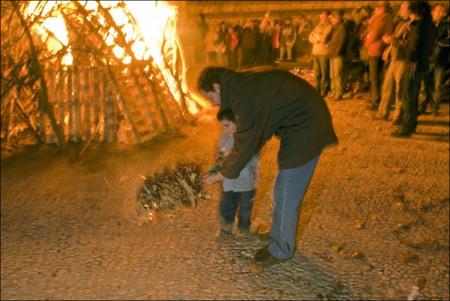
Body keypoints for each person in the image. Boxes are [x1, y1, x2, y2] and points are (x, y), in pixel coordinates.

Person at [197, 66, 337, 267]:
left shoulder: (243, 95)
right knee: (282, 191)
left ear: (217, 86)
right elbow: (254, 132)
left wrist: (222, 174)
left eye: (210, 97)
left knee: (285, 193)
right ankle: (278, 233)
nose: (212, 104)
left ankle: (282, 249)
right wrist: (227, 164)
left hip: (307, 129)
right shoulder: (240, 83)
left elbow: (245, 142)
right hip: (298, 125)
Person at [210, 109, 259, 235]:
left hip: (245, 181)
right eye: (222, 126)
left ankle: (244, 227)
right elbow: (220, 157)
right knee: (226, 204)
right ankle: (226, 227)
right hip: (228, 181)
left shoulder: (247, 139)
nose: (225, 129)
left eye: (227, 125)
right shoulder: (224, 137)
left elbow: (251, 160)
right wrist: (214, 170)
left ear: (238, 122)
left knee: (245, 206)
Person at [364, 1, 394, 110]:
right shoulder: (381, 18)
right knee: (375, 76)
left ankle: (376, 100)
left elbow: (374, 34)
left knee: (374, 76)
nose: (375, 10)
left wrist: (366, 43)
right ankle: (375, 98)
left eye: (377, 8)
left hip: (376, 49)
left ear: (382, 9)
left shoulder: (383, 18)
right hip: (375, 49)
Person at [308, 10, 333, 96]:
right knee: (317, 72)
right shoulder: (318, 26)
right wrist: (318, 36)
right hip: (315, 52)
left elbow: (324, 38)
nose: (321, 18)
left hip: (323, 52)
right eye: (320, 17)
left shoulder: (329, 26)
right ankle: (317, 87)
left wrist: (316, 36)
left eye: (323, 17)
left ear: (327, 17)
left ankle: (324, 89)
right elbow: (310, 37)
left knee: (324, 72)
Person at [327, 10, 347, 101]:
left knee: (337, 74)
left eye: (333, 18)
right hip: (332, 54)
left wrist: (336, 52)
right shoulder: (335, 28)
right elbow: (328, 39)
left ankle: (339, 92)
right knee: (332, 74)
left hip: (337, 55)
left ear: (338, 18)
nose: (331, 20)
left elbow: (341, 42)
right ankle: (334, 90)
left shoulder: (342, 28)